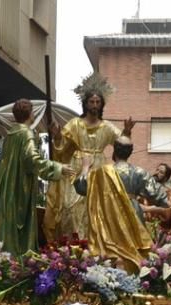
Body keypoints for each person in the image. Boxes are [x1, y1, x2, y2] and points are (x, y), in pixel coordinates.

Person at [48, 74, 134, 241]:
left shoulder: (106, 126)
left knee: (96, 207)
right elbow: (61, 147)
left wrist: (127, 131)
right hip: (76, 166)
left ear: (102, 105)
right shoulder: (74, 124)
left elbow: (122, 144)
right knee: (70, 207)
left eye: (97, 102)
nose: (94, 105)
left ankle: (94, 244)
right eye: (91, 102)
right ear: (85, 104)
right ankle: (72, 246)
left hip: (98, 167)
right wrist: (57, 136)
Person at [0, 98, 74, 255]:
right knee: (19, 232)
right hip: (19, 189)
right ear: (30, 114)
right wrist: (57, 168)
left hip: (7, 188)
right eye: (33, 112)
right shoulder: (26, 134)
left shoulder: (11, 135)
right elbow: (32, 159)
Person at [72, 137, 163, 271]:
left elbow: (81, 187)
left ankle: (111, 276)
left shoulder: (101, 173)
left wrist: (85, 167)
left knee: (113, 253)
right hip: (133, 214)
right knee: (136, 252)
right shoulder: (139, 172)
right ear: (130, 152)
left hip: (110, 216)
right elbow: (158, 195)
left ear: (115, 149)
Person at [140, 162, 171, 241]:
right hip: (144, 233)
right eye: (157, 170)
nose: (157, 173)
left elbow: (167, 214)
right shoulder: (145, 190)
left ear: (166, 178)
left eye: (161, 172)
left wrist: (149, 209)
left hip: (162, 235)